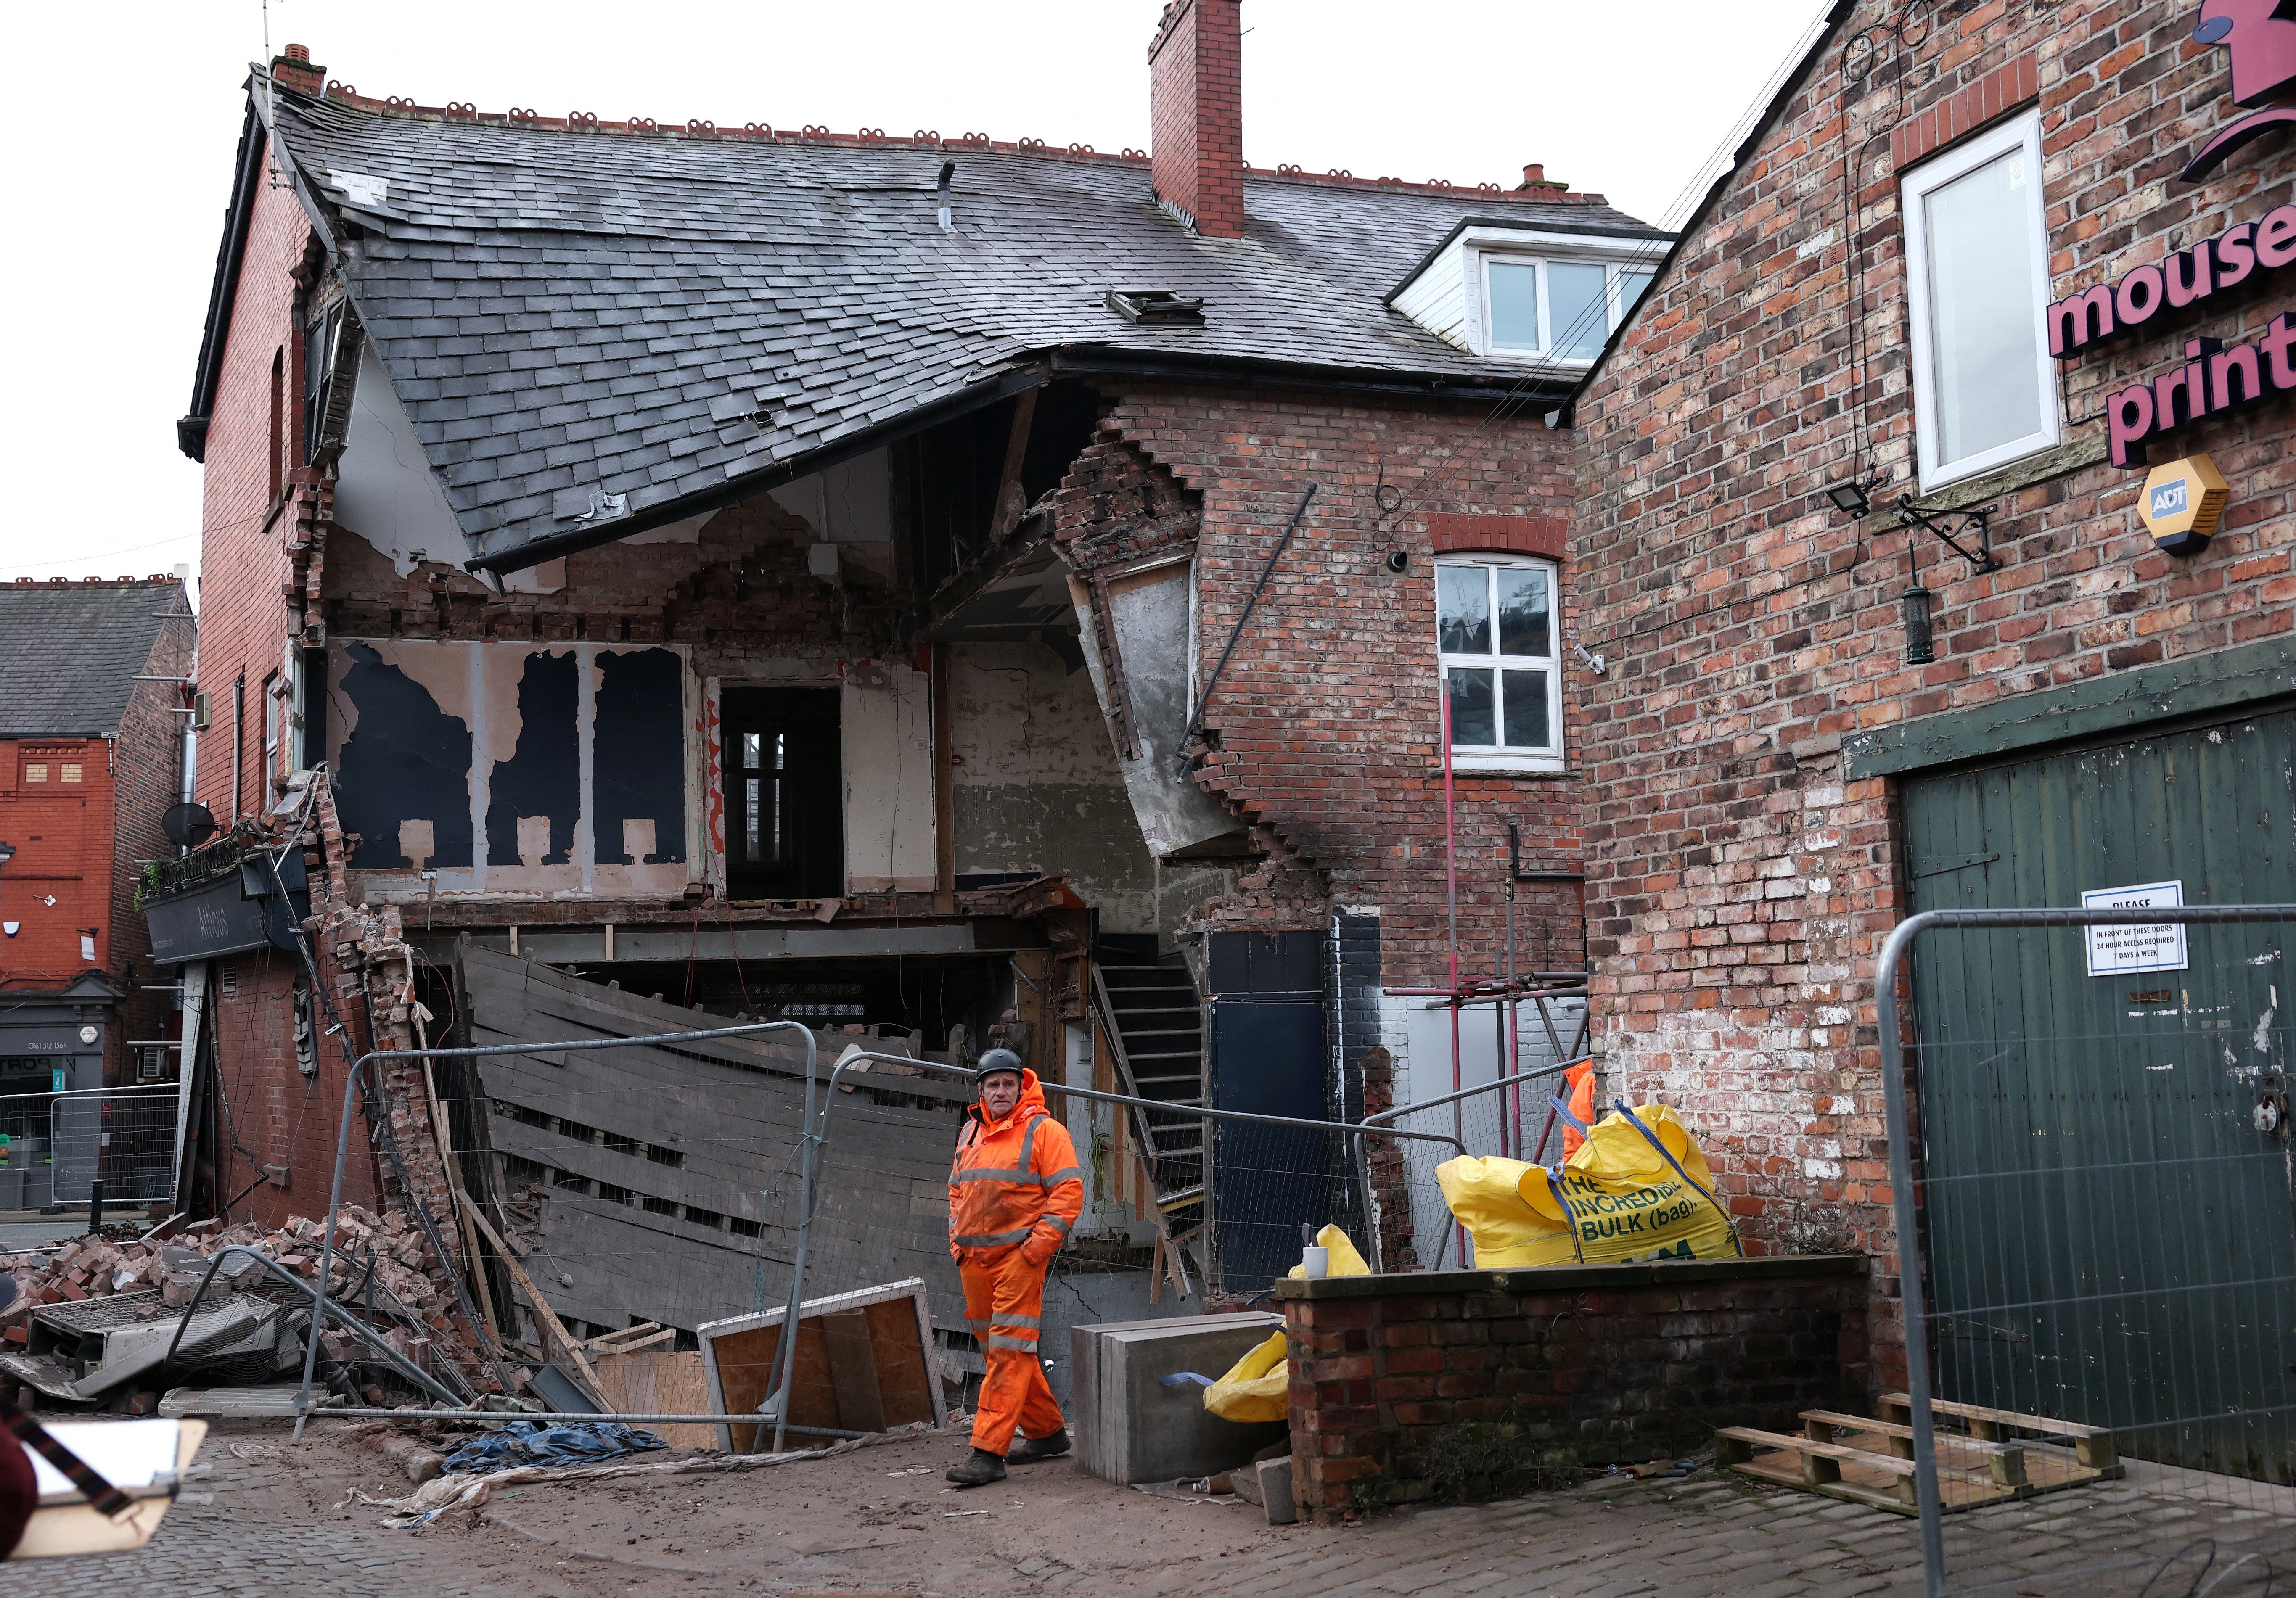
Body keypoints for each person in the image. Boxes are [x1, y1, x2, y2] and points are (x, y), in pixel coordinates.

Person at [945, 1047, 1083, 1487]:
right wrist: (957, 1242)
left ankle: (987, 1453)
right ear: (981, 1091)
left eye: (1008, 1083)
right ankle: (1047, 1434)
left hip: (1019, 1263)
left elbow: (1068, 1194)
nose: (1001, 1091)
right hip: (974, 1262)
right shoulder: (970, 1132)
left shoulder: (1046, 1132)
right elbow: (955, 1190)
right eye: (993, 1084)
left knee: (1007, 1354)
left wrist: (1035, 1250)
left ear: (1022, 1086)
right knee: (1006, 1353)